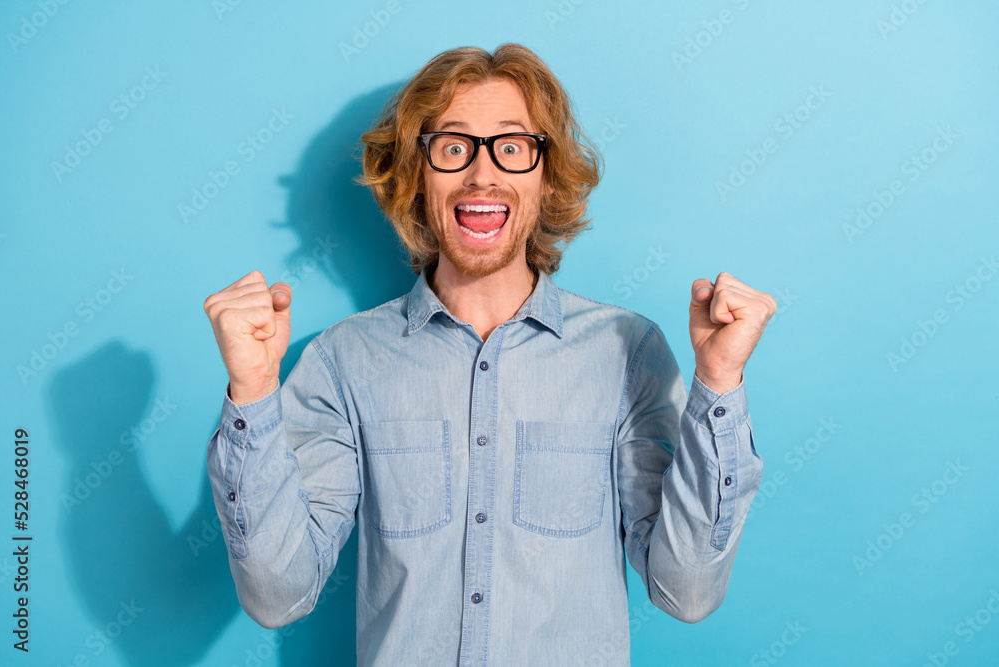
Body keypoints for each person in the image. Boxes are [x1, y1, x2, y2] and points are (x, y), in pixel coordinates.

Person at [203, 42, 775, 666]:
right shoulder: (344, 360)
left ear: (546, 174)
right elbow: (277, 597)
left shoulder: (628, 353)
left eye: (512, 146)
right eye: (453, 147)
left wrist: (719, 380)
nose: (482, 175)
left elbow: (686, 592)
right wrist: (254, 391)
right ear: (416, 178)